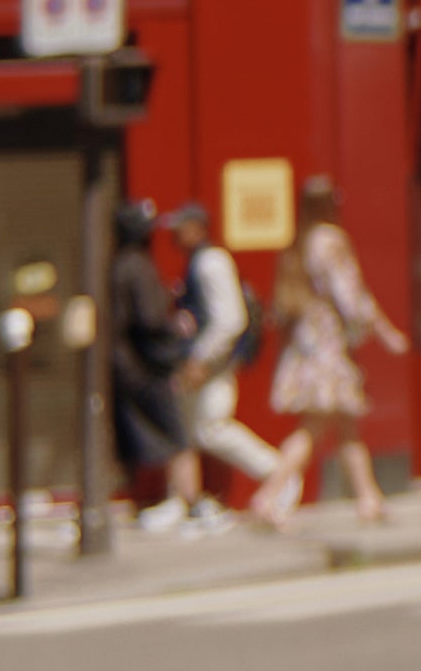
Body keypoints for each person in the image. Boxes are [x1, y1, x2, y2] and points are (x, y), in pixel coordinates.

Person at [265, 176, 406, 518]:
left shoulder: (300, 241)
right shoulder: (331, 241)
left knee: (346, 427)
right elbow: (351, 295)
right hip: (328, 344)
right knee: (314, 428)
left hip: (308, 342)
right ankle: (268, 495)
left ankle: (368, 498)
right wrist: (384, 332)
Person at [161, 201, 294, 519]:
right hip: (208, 361)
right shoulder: (199, 262)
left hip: (213, 363)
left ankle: (280, 475)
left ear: (197, 228)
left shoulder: (210, 263)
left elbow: (230, 319)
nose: (174, 237)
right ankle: (183, 499)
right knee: (189, 428)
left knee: (210, 428)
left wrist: (200, 359)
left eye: (180, 228)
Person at [103, 202, 197, 515]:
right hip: (144, 365)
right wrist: (176, 328)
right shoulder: (137, 266)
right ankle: (188, 501)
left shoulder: (119, 265)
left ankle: (176, 499)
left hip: (126, 362)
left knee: (139, 431)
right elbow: (148, 318)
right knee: (175, 432)